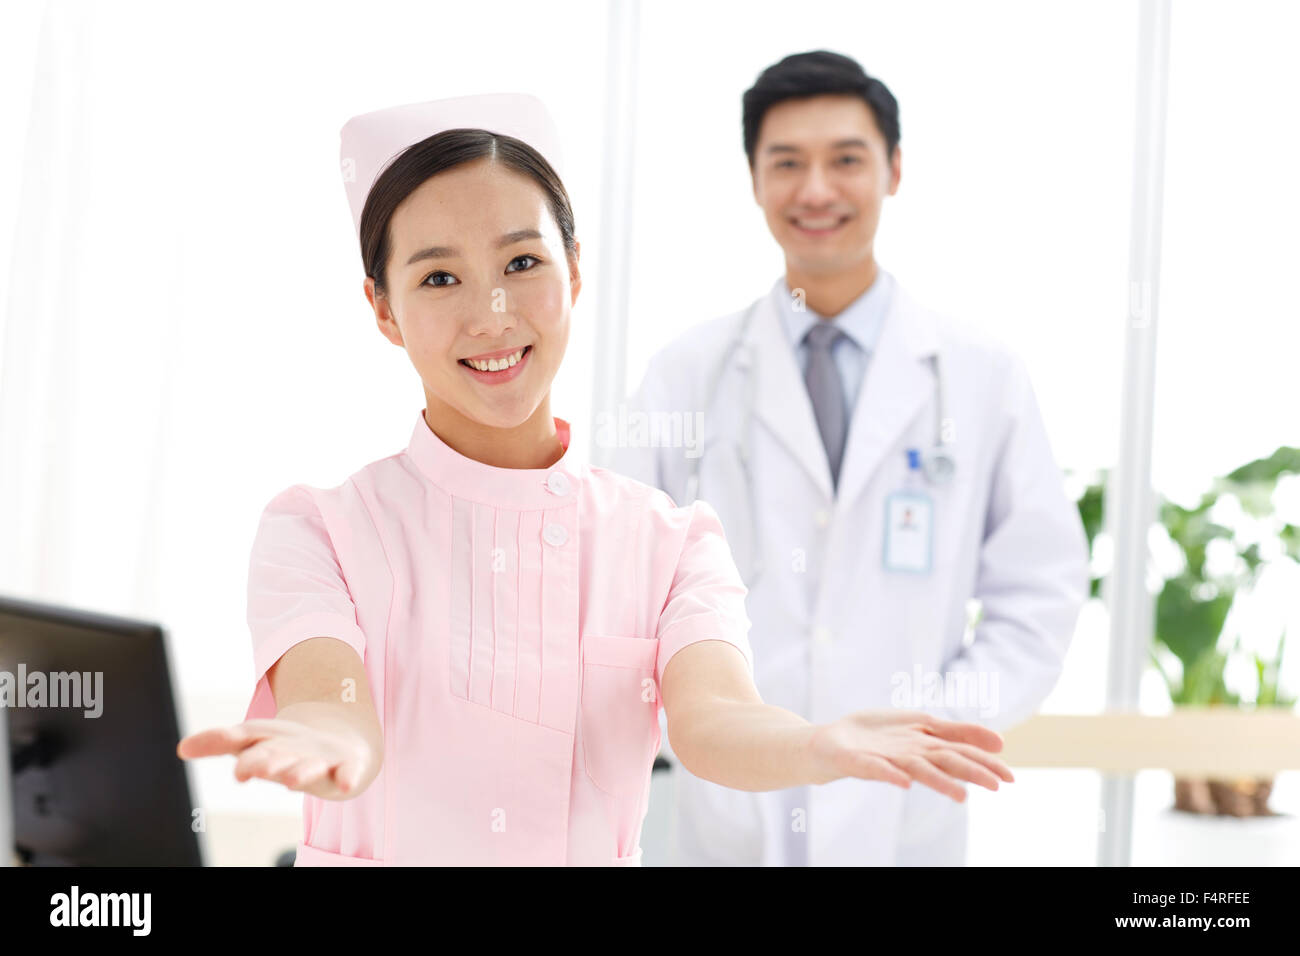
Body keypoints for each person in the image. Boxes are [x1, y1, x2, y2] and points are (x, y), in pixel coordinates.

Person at [176, 92, 1014, 866]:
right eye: (439, 277)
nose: (492, 312)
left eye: (522, 263)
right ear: (383, 309)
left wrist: (816, 746)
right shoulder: (320, 530)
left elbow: (713, 720)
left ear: (574, 272)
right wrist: (329, 744)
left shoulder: (671, 542)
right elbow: (333, 703)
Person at [610, 52, 1090, 866]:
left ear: (894, 170)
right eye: (787, 163)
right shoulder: (687, 373)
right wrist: (700, 724)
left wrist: (934, 723)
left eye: (846, 160)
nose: (817, 191)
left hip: (904, 814)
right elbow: (620, 589)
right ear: (754, 179)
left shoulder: (982, 377)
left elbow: (1038, 594)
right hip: (730, 813)